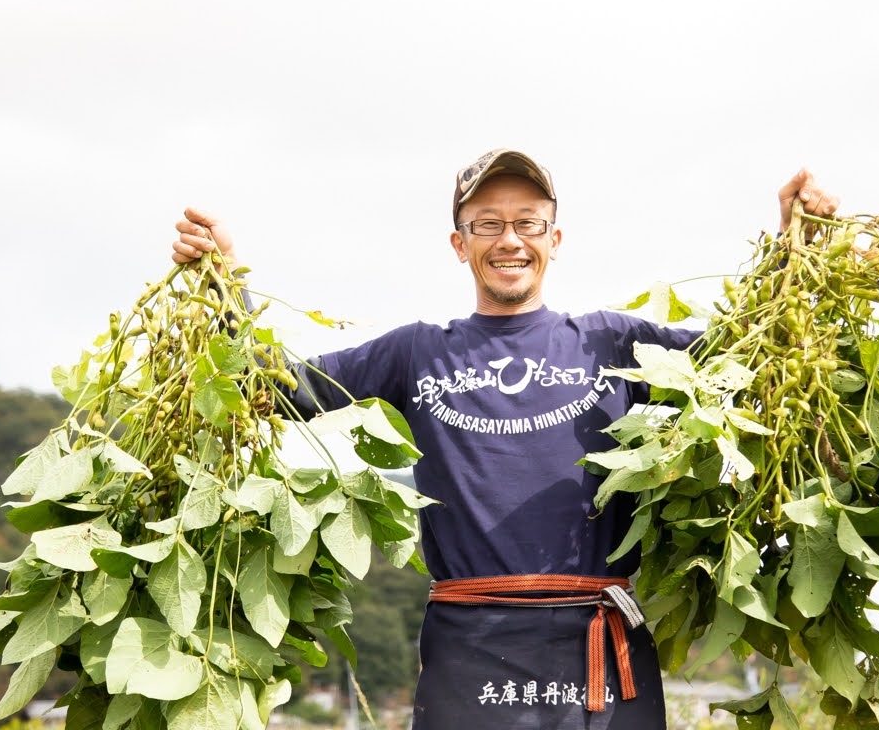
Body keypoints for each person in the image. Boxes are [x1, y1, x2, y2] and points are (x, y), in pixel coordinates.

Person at [172, 149, 839, 729]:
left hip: (600, 647)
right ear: (459, 243)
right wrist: (225, 277)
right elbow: (281, 389)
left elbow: (747, 363)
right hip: (471, 651)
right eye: (488, 224)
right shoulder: (418, 353)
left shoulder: (613, 342)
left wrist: (794, 247)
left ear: (556, 238)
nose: (510, 240)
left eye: (527, 223)